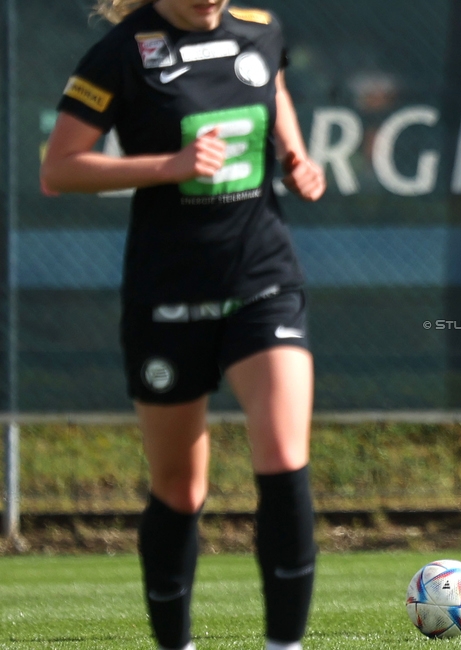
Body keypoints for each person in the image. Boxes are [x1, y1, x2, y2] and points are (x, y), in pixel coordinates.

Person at [40, 1, 326, 649]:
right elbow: (59, 167)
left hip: (263, 277)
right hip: (167, 291)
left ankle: (286, 645)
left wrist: (296, 154)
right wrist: (168, 166)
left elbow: (272, 84)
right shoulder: (121, 51)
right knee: (179, 485)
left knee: (283, 454)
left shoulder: (260, 28)